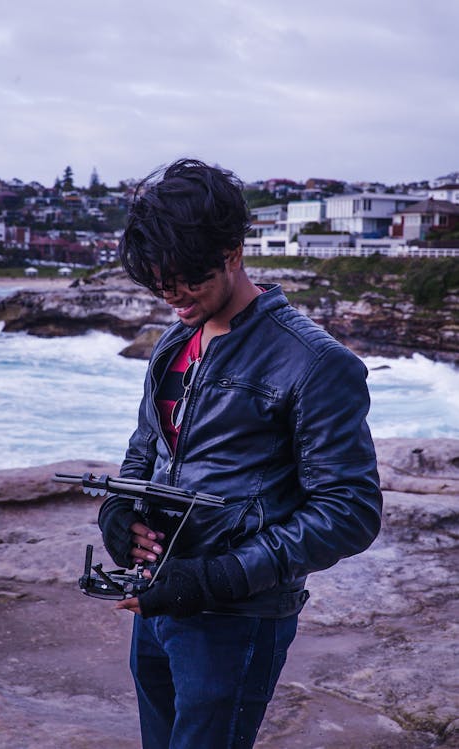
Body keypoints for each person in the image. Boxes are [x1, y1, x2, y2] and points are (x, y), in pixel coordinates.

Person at [98, 158, 382, 749]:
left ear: (233, 251)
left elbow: (350, 510)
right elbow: (144, 453)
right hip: (159, 599)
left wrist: (218, 576)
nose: (170, 297)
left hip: (237, 620)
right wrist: (120, 517)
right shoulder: (174, 342)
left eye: (185, 281)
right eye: (156, 284)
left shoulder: (315, 362)